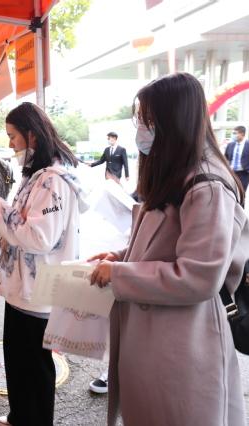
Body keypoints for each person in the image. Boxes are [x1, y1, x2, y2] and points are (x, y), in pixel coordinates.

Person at [89, 73, 248, 426]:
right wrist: (121, 257)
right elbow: (160, 245)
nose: (141, 130)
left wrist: (120, 274)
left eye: (148, 120)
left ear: (173, 120)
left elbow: (198, 276)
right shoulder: (178, 173)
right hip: (154, 334)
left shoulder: (207, 185)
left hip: (183, 341)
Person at [0, 102, 85, 426]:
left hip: (37, 293)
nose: (10, 144)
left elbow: (39, 237)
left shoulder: (53, 180)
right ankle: (20, 415)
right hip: (23, 290)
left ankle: (32, 419)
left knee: (34, 367)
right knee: (18, 360)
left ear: (32, 135)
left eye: (13, 136)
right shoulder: (38, 176)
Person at [224, 125, 249, 190]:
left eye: (235, 133)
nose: (233, 135)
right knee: (229, 191)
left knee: (241, 191)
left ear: (242, 134)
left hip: (243, 174)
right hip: (231, 173)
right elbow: (225, 158)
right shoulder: (230, 145)